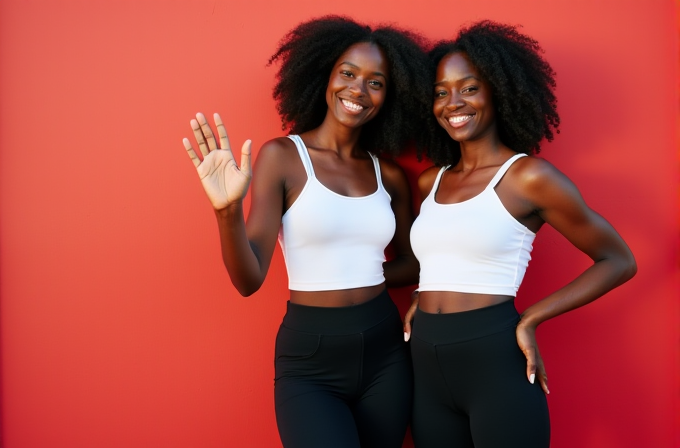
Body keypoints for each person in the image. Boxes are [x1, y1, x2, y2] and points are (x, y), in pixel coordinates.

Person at [181, 16, 431, 448]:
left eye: (376, 82)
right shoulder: (283, 157)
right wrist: (226, 211)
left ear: (391, 96)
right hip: (311, 359)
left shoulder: (387, 174)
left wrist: (358, 277)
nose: (358, 89)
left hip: (386, 354)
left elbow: (411, 263)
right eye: (348, 74)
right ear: (325, 76)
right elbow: (248, 279)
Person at [404, 20, 637, 448]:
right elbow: (446, 253)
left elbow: (619, 260)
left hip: (493, 361)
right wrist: (423, 294)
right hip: (425, 363)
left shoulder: (528, 177)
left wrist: (532, 317)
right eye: (441, 92)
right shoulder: (430, 182)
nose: (453, 102)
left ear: (498, 90)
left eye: (469, 88)